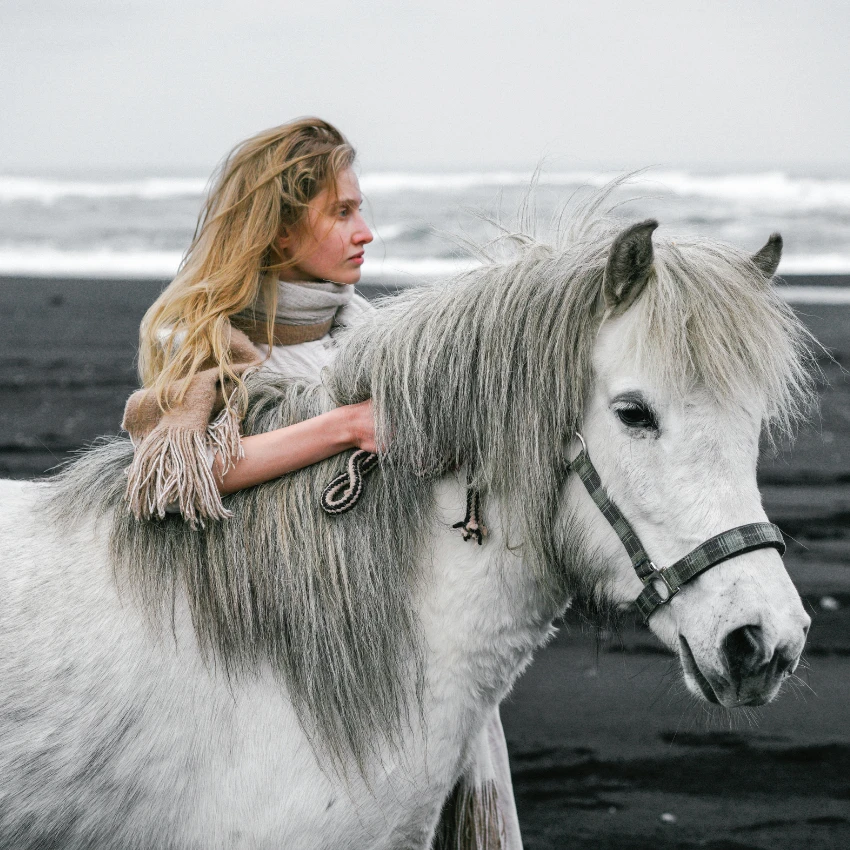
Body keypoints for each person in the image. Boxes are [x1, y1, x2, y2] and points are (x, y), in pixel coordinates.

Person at [122, 117, 522, 849]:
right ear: (277, 234)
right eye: (342, 213)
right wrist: (343, 427)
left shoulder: (368, 336)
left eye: (361, 209)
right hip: (285, 666)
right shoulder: (215, 342)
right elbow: (178, 475)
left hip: (407, 643)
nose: (366, 231)